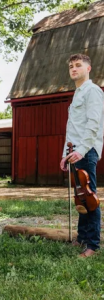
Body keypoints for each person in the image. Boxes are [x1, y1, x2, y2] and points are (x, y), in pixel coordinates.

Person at [60, 54, 104, 258]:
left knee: (90, 197)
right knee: (80, 196)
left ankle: (92, 245)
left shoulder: (92, 91)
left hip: (85, 151)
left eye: (78, 65)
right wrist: (65, 155)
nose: (74, 69)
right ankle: (82, 237)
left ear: (88, 68)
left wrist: (82, 150)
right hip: (74, 152)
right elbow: (72, 129)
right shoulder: (77, 94)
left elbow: (93, 124)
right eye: (71, 66)